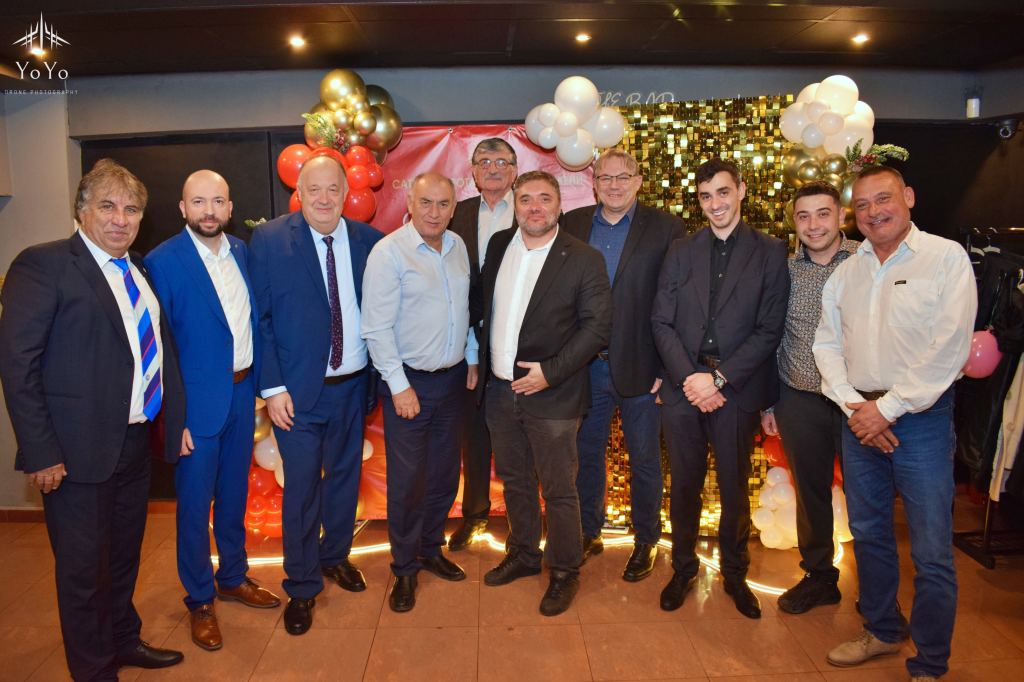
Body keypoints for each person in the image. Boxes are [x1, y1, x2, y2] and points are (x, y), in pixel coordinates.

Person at [0, 159, 185, 679]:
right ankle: (93, 669)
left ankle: (123, 641)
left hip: (133, 442)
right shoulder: (43, 265)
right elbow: (17, 365)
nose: (120, 219)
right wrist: (41, 452)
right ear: (81, 210)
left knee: (123, 558)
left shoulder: (138, 268)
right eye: (108, 206)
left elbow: (154, 351)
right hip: (73, 453)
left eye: (131, 209)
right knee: (83, 572)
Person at [813, 165, 976, 680]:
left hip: (922, 420)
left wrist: (887, 408)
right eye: (862, 205)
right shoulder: (846, 272)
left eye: (882, 199)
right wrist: (853, 405)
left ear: (908, 196)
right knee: (868, 533)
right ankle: (882, 629)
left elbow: (949, 347)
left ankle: (930, 660)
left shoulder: (945, 259)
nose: (873, 212)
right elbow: (826, 344)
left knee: (930, 548)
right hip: (858, 418)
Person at [145, 170, 281, 651]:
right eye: (199, 202)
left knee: (233, 496)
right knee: (193, 508)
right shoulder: (161, 262)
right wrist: (173, 416)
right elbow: (160, 347)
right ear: (183, 208)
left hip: (242, 397)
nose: (209, 211)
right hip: (195, 408)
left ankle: (233, 577)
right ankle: (200, 599)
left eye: (217, 201)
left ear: (229, 207)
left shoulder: (242, 252)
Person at [248, 154, 384, 635]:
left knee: (345, 479)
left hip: (354, 387)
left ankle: (335, 557)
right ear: (299, 194)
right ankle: (302, 585)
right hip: (297, 395)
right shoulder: (270, 240)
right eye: (314, 189)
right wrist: (273, 387)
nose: (324, 198)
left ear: (346, 194)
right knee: (302, 489)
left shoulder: (370, 241)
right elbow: (261, 319)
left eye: (333, 189)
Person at [651, 158, 789, 619]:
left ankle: (734, 572)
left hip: (736, 389)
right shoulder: (680, 250)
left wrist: (719, 379)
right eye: (706, 196)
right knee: (683, 486)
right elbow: (661, 320)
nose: (716, 204)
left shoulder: (770, 251)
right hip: (684, 387)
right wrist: (689, 378)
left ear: (741, 190)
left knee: (734, 490)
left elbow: (769, 329)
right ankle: (683, 568)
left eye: (723, 192)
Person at [474, 170, 612, 616]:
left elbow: (597, 328)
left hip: (554, 395)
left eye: (544, 198)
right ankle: (524, 553)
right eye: (526, 199)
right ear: (515, 205)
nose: (535, 207)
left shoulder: (583, 258)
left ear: (559, 205)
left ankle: (565, 571)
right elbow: (485, 309)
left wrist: (550, 374)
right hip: (500, 392)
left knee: (558, 488)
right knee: (515, 480)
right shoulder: (499, 245)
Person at [563, 149, 684, 581]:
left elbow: (676, 302)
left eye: (623, 177)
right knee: (586, 454)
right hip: (585, 368)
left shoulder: (666, 228)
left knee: (645, 459)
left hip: (643, 369)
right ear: (594, 183)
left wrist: (667, 370)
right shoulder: (572, 224)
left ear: (638, 181)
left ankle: (647, 538)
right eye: (606, 177)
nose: (614, 185)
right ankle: (587, 531)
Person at [361, 173, 479, 612]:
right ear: (410, 203)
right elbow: (375, 328)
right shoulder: (388, 253)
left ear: (453, 208)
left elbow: (462, 310)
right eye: (426, 202)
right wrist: (399, 386)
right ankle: (405, 567)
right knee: (408, 482)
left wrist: (470, 356)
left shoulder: (458, 246)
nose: (434, 212)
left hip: (452, 382)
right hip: (409, 384)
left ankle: (430, 549)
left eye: (443, 204)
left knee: (445, 475)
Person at [760, 181, 858, 614]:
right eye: (804, 216)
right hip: (798, 398)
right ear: (794, 222)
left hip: (857, 403)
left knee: (866, 494)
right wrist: (769, 402)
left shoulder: (865, 261)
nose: (813, 224)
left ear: (840, 216)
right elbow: (771, 336)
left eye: (823, 213)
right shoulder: (784, 270)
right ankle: (820, 577)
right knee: (810, 492)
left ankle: (877, 591)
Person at [446, 138, 518, 551]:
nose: (493, 169)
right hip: (468, 345)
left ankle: (522, 520)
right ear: (472, 171)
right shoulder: (456, 213)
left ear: (514, 170)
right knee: (472, 435)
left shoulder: (531, 210)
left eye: (502, 162)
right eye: (484, 161)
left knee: (520, 436)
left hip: (517, 344)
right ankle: (474, 514)